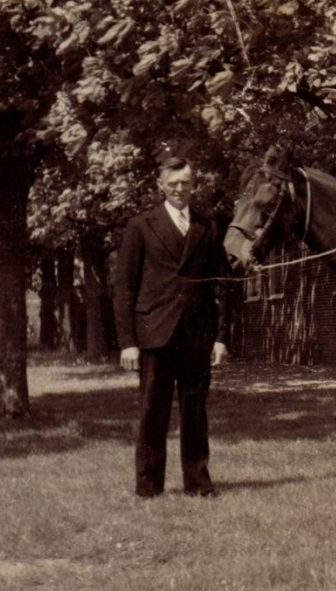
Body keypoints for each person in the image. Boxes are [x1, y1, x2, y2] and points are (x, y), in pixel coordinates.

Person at [113, 145, 229, 498]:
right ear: (161, 185)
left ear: (193, 185)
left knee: (195, 411)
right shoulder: (140, 226)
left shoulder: (208, 225)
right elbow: (124, 289)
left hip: (196, 335)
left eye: (186, 183)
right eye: (173, 183)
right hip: (155, 334)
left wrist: (220, 337)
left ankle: (198, 482)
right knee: (152, 412)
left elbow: (221, 286)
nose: (180, 189)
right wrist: (128, 341)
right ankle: (149, 487)